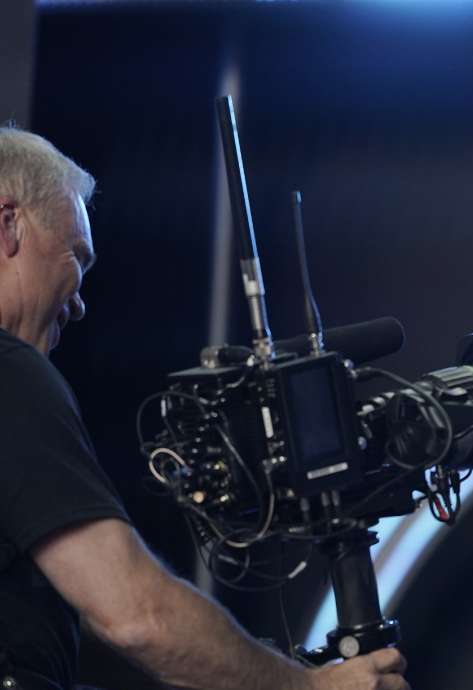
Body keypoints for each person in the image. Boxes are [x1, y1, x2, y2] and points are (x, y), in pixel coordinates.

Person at [0, 126, 409, 690]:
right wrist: (304, 688)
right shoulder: (10, 372)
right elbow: (136, 615)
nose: (79, 303)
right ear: (8, 224)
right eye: (76, 255)